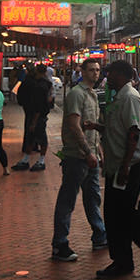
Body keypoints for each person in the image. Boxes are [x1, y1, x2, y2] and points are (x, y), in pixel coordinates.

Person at [89, 60, 140, 278]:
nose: (108, 78)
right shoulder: (119, 96)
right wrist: (96, 127)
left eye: (110, 73)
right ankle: (130, 257)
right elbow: (119, 129)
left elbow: (133, 132)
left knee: (120, 213)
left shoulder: (130, 97)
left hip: (129, 166)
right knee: (117, 214)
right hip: (118, 165)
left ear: (121, 74)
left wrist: (125, 165)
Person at [52, 59, 107, 262]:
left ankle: (100, 235)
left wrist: (98, 150)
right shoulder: (77, 94)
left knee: (93, 197)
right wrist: (87, 151)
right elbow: (74, 125)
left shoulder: (92, 94)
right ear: (82, 71)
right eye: (91, 70)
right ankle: (59, 243)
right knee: (68, 199)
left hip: (90, 155)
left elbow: (89, 127)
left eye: (98, 70)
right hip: (77, 156)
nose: (95, 73)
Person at [12, 64, 53, 171]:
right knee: (32, 137)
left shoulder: (41, 86)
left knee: (40, 136)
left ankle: (40, 161)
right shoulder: (43, 84)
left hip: (37, 115)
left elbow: (39, 106)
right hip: (36, 114)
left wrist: (34, 121)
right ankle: (26, 160)